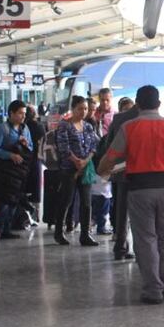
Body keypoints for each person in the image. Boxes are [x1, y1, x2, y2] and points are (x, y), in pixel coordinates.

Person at [98, 85, 164, 305]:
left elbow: (110, 158)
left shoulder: (129, 127)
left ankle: (153, 289)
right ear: (159, 104)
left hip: (140, 190)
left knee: (146, 238)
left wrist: (102, 170)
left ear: (138, 104)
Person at [53, 96, 99, 246]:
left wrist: (85, 161)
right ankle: (59, 232)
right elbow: (63, 147)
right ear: (73, 109)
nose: (83, 112)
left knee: (86, 202)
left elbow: (94, 145)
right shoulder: (64, 125)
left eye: (85, 109)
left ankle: (85, 234)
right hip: (69, 169)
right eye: (80, 108)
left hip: (85, 168)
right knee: (66, 200)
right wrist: (76, 161)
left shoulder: (88, 126)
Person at [0, 100, 32, 242]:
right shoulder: (3, 129)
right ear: (11, 113)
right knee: (4, 201)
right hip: (4, 171)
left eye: (24, 114)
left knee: (13, 201)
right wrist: (10, 155)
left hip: (18, 172)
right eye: (20, 113)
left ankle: (6, 229)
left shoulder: (25, 129)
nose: (23, 116)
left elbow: (31, 148)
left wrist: (25, 145)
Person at [104, 98, 140, 261]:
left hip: (122, 170)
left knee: (122, 209)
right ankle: (139, 246)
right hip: (145, 172)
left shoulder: (119, 118)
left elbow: (109, 144)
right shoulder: (152, 119)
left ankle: (120, 245)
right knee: (141, 211)